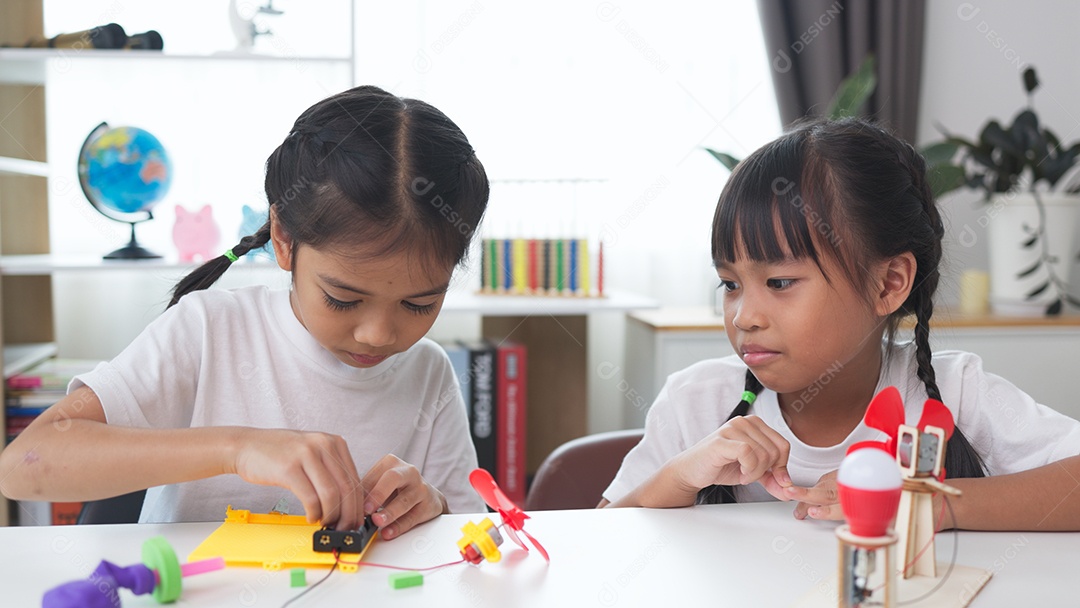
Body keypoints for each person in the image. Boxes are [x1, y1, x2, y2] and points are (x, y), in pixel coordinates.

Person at [0, 85, 490, 537]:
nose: (379, 335)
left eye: (420, 303)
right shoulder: (208, 331)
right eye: (344, 298)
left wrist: (435, 506)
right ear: (283, 239)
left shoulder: (428, 373)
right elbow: (23, 464)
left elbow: (473, 535)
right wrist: (237, 448)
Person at [601, 118, 1080, 531]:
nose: (744, 316)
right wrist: (678, 478)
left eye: (781, 281)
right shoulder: (696, 403)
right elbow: (597, 540)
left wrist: (929, 504)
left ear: (888, 283)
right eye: (729, 284)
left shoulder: (955, 394)